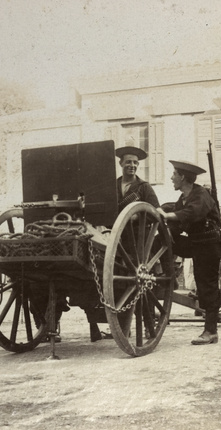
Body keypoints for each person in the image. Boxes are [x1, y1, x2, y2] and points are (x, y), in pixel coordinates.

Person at [87, 140, 160, 342]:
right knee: (118, 285)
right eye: (128, 162)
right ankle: (121, 327)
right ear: (121, 164)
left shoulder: (144, 188)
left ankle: (148, 325)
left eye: (135, 163)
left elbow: (155, 212)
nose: (132, 166)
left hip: (137, 243)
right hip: (115, 241)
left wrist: (135, 217)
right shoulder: (112, 186)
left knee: (141, 285)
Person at [157, 160, 221, 345]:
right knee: (160, 241)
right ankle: (169, 276)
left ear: (183, 177)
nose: (171, 178)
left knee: (206, 285)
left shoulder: (201, 194)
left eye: (174, 174)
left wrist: (168, 216)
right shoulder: (184, 198)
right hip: (195, 244)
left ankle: (211, 332)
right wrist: (166, 223)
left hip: (209, 246)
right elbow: (178, 214)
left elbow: (193, 213)